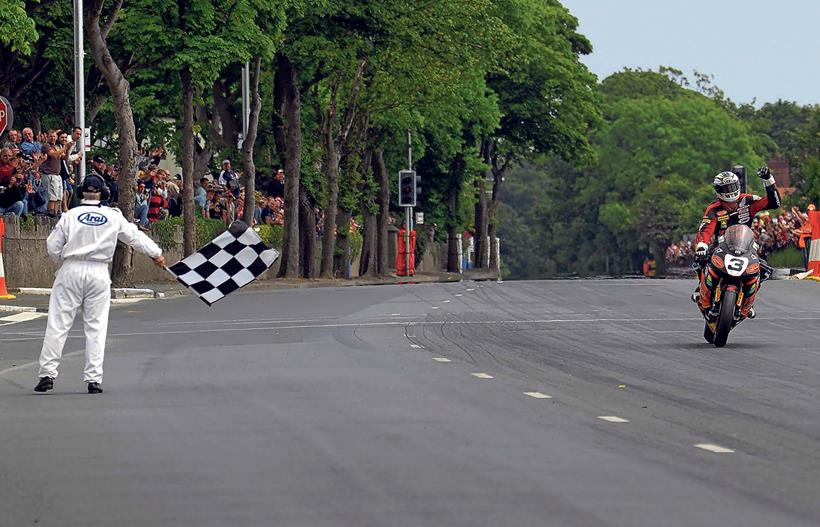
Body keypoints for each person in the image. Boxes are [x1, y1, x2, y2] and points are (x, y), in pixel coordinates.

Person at [34, 175, 165, 394]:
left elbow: (52, 245)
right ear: (104, 193)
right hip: (99, 272)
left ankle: (47, 374)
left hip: (71, 269)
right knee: (95, 327)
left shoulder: (70, 215)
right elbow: (134, 237)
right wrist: (156, 254)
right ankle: (93, 380)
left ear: (80, 193)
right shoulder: (113, 216)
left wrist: (63, 261)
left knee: (58, 324)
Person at [693, 166, 781, 318]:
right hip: (721, 247)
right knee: (702, 260)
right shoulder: (713, 209)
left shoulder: (748, 200)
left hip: (745, 245)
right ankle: (703, 296)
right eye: (725, 188)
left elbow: (774, 203)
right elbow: (705, 229)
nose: (730, 192)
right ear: (718, 191)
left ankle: (748, 302)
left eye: (732, 187)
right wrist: (702, 245)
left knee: (763, 270)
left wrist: (768, 179)